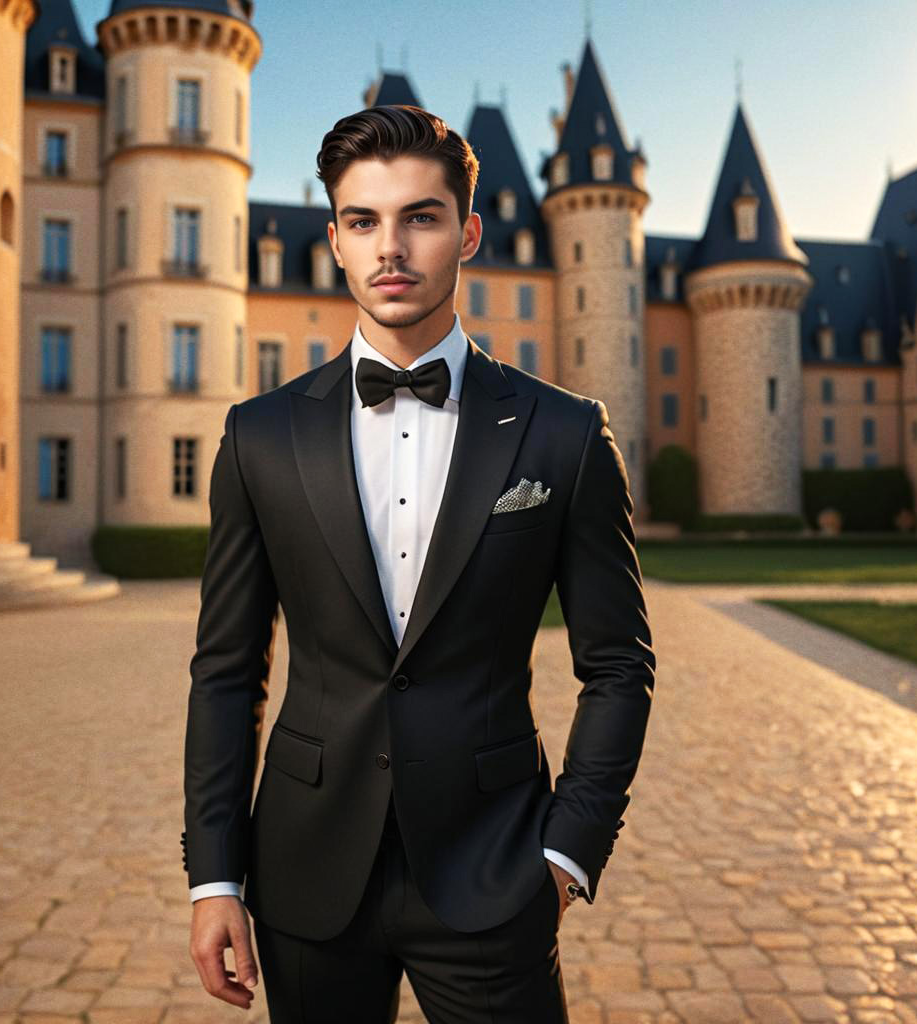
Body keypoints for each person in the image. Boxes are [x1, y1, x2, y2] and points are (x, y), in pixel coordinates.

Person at [182, 103, 656, 1022]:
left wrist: (566, 856)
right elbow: (226, 672)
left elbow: (618, 666)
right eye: (363, 221)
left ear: (468, 231)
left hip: (495, 871)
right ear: (335, 239)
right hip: (305, 874)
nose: (390, 247)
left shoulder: (564, 434)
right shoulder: (259, 437)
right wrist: (213, 877)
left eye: (421, 218)